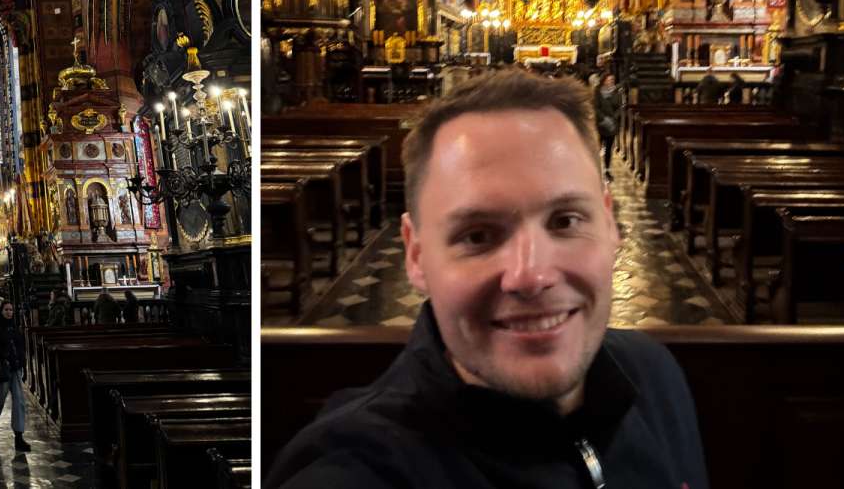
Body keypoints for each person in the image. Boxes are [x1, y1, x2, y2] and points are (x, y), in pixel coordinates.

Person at [266, 69, 709, 488]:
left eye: (566, 220)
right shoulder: (355, 468)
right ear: (416, 254)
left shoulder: (656, 378)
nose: (531, 276)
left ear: (611, 224)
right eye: (477, 236)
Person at [0, 300, 31, 452]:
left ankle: (19, 436)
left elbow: (20, 346)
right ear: (1, 311)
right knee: (0, 400)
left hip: (15, 369)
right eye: (6, 310)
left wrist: (22, 362)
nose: (9, 312)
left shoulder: (14, 327)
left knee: (19, 401)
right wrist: (3, 355)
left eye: (11, 310)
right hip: (4, 369)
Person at [593, 72, 624, 181]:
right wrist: (603, 119)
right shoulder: (597, 91)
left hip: (612, 124)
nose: (610, 82)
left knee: (609, 148)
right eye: (608, 79)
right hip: (601, 123)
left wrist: (613, 119)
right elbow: (596, 107)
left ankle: (607, 170)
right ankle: (595, 169)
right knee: (598, 147)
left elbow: (619, 107)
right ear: (603, 80)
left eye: (612, 80)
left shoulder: (617, 92)